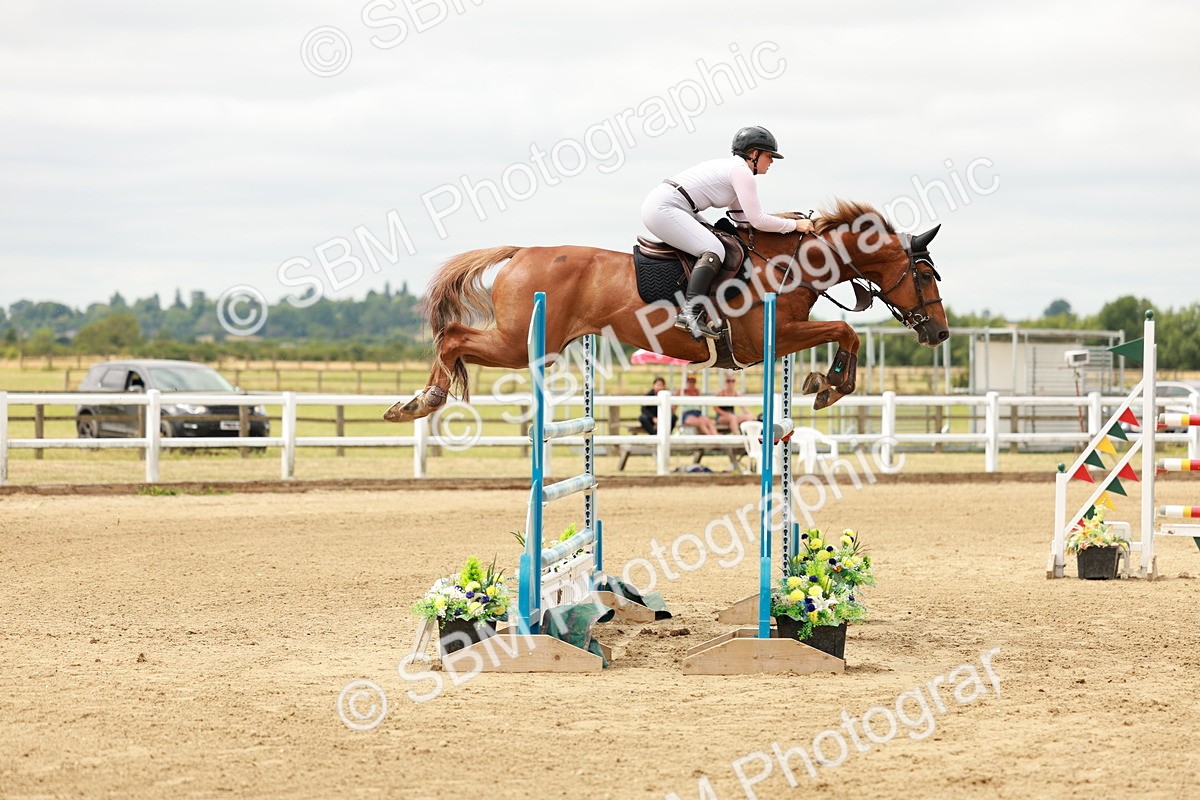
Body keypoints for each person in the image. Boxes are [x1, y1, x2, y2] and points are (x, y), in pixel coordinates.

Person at [641, 125, 815, 340]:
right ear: (754, 154)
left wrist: (784, 223)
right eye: (769, 156)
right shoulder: (741, 173)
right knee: (714, 249)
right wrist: (795, 226)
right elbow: (757, 220)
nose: (771, 162)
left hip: (676, 206)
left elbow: (741, 218)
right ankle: (690, 313)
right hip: (665, 208)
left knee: (719, 242)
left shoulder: (736, 171)